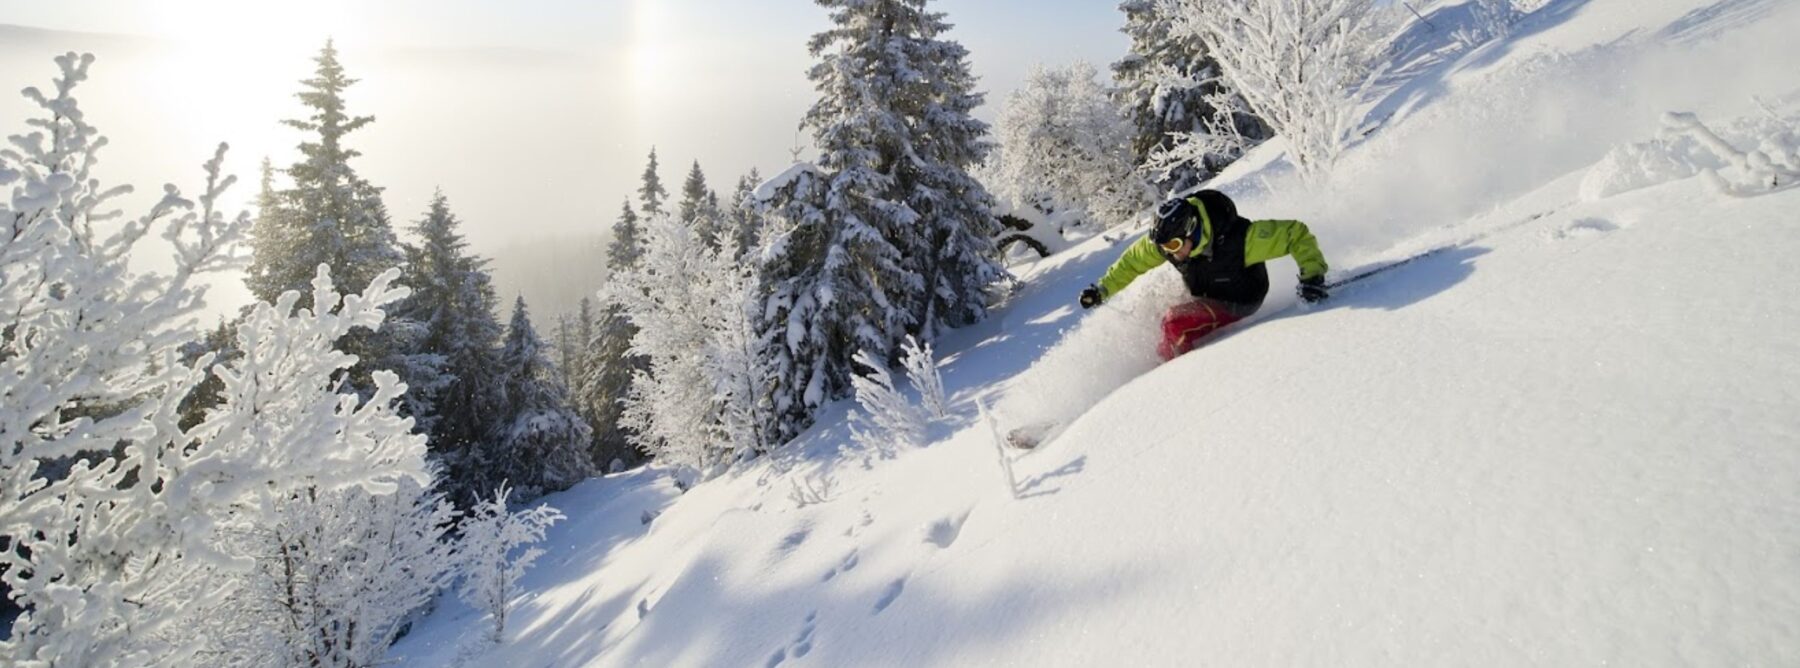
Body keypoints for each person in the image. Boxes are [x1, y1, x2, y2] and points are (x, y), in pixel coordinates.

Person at [1079, 190, 1329, 361]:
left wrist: (1312, 277)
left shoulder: (1240, 239)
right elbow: (1131, 263)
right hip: (1206, 292)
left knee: (1173, 322)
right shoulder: (1168, 245)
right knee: (1154, 308)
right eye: (1165, 248)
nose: (1170, 253)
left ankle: (1176, 372)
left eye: (1175, 246)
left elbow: (1295, 234)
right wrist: (1102, 289)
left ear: (1192, 230)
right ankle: (1162, 357)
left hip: (1240, 299)